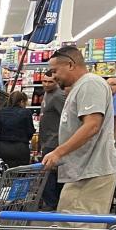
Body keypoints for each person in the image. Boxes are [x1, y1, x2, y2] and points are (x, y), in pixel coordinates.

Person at [42, 45, 116, 230]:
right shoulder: (79, 88)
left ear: (70, 64)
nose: (53, 77)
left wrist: (58, 152)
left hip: (92, 172)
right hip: (81, 171)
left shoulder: (90, 84)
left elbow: (92, 125)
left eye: (55, 71)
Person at [39, 74, 66, 209]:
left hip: (54, 141)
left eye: (50, 82)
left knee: (48, 174)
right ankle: (53, 203)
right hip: (47, 140)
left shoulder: (58, 96)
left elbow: (66, 117)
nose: (46, 84)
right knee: (49, 174)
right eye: (44, 81)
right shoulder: (47, 94)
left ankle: (53, 204)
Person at [0, 90, 34, 167]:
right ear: (22, 101)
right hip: (20, 148)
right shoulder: (26, 112)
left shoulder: (1, 111)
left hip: (2, 148)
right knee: (20, 175)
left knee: (3, 174)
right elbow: (30, 131)